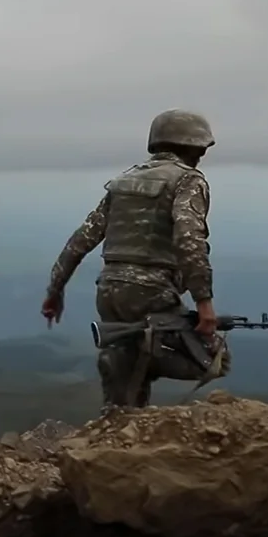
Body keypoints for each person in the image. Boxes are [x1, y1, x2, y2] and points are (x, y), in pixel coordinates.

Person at [40, 108, 229, 408]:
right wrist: (204, 302)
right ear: (194, 147)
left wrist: (55, 290)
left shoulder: (125, 181)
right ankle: (141, 352)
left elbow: (81, 239)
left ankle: (120, 402)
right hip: (152, 292)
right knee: (214, 357)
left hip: (110, 289)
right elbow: (189, 240)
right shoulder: (188, 181)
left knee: (123, 382)